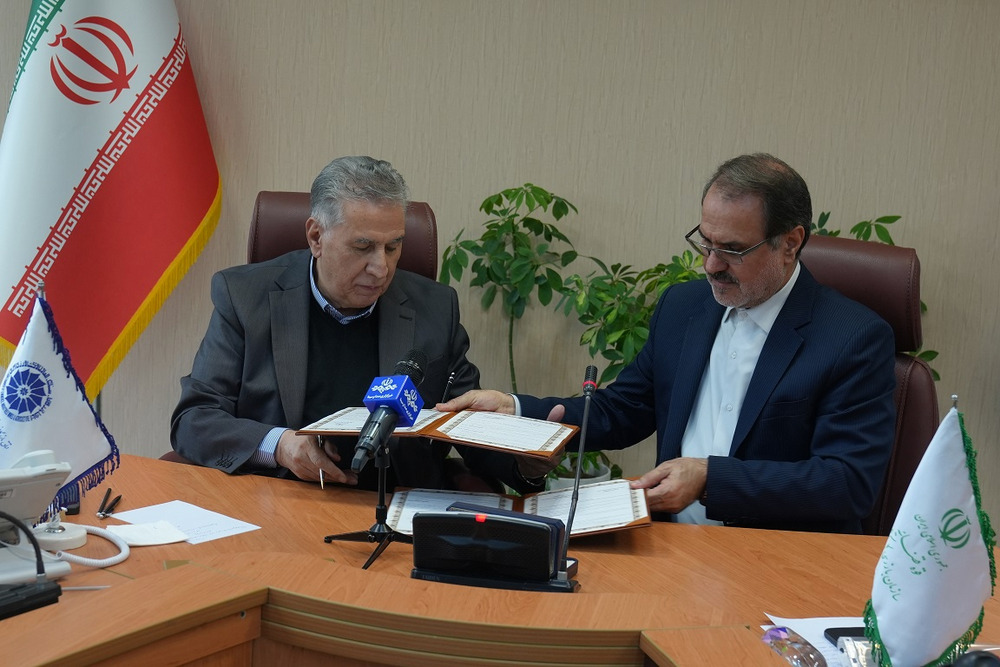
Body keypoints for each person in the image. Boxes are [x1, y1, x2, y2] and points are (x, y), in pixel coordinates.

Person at [439, 153, 896, 533]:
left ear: (790, 243)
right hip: (672, 548)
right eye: (706, 242)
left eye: (732, 250)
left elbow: (847, 483)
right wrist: (517, 411)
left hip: (779, 561)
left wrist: (710, 478)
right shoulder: (684, 307)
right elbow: (624, 409)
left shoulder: (852, 338)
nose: (711, 265)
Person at [171, 156, 547, 494]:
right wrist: (280, 446)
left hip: (393, 505)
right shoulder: (244, 296)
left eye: (393, 247)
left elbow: (464, 425)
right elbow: (194, 419)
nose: (381, 268)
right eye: (363, 247)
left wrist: (525, 465)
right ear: (316, 237)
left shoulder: (434, 308)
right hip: (280, 498)